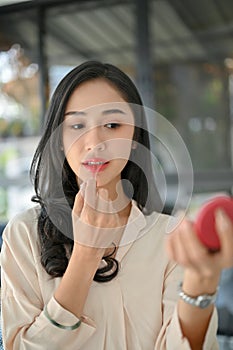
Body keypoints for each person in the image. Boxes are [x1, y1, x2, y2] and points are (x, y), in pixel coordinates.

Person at [1, 61, 233, 350]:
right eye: (76, 125)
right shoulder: (23, 234)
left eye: (112, 125)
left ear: (135, 137)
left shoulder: (168, 235)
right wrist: (85, 256)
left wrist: (201, 283)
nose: (94, 142)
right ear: (59, 139)